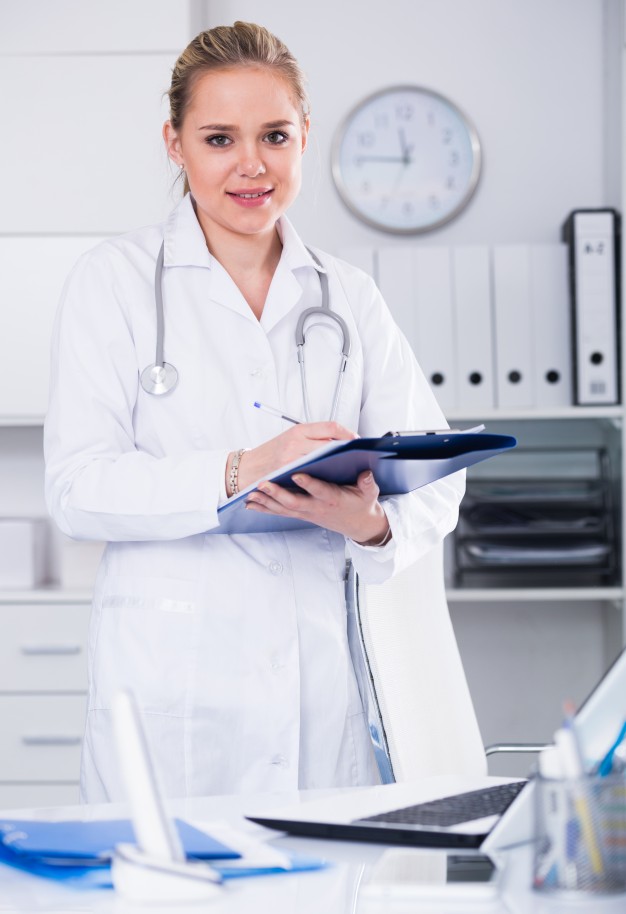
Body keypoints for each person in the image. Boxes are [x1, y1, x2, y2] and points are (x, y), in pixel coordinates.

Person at [44, 21, 464, 804]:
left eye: (275, 135)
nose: (251, 165)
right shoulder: (115, 282)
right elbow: (77, 488)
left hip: (321, 697)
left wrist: (367, 524)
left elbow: (437, 478)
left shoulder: (348, 296)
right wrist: (242, 468)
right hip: (174, 691)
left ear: (305, 134)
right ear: (174, 144)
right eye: (218, 138)